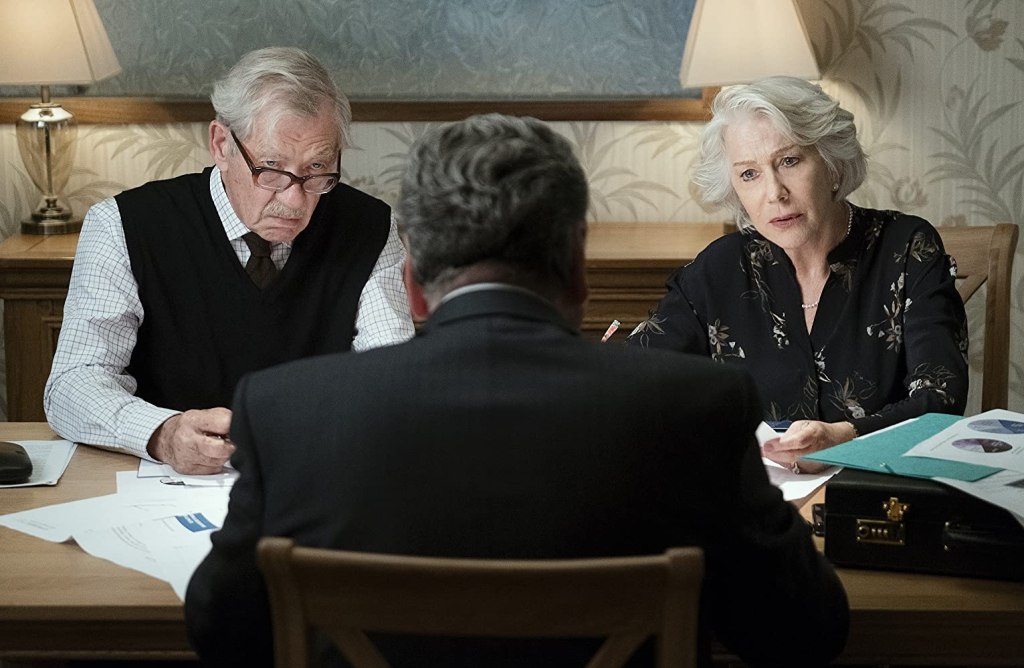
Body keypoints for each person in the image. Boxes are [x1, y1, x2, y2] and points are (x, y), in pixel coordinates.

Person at [185, 113, 849, 667]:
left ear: (412, 283)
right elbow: (804, 632)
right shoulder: (701, 407)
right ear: (579, 270)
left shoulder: (283, 411)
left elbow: (222, 630)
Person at [43, 47, 414, 475]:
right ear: (221, 144)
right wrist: (162, 434)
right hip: (163, 487)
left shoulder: (369, 227)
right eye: (271, 169)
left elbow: (392, 375)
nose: (294, 200)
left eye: (317, 170)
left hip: (315, 477)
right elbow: (72, 385)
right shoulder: (124, 225)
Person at [627, 76, 968, 473]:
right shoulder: (720, 267)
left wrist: (844, 436)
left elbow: (941, 399)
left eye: (789, 161)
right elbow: (639, 377)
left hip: (875, 499)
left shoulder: (908, 248)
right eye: (749, 174)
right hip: (757, 505)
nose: (774, 193)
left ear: (832, 162)